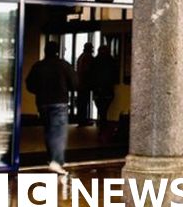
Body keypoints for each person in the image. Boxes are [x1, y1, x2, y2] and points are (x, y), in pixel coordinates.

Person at [25, 40, 78, 175]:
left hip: (42, 102)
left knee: (49, 130)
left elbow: (30, 84)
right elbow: (75, 83)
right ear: (57, 51)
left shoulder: (38, 66)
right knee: (58, 132)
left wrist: (39, 91)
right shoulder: (63, 65)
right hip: (59, 102)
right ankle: (57, 161)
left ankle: (51, 158)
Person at [91, 45, 117, 133]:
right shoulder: (111, 61)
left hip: (98, 90)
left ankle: (102, 124)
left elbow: (92, 76)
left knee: (101, 109)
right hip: (108, 90)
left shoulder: (95, 61)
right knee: (104, 109)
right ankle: (103, 124)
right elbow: (114, 75)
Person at [74, 42, 94, 127]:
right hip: (85, 84)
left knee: (81, 103)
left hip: (79, 84)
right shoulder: (88, 57)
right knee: (84, 102)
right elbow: (87, 71)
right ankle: (83, 120)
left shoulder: (80, 57)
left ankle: (81, 120)